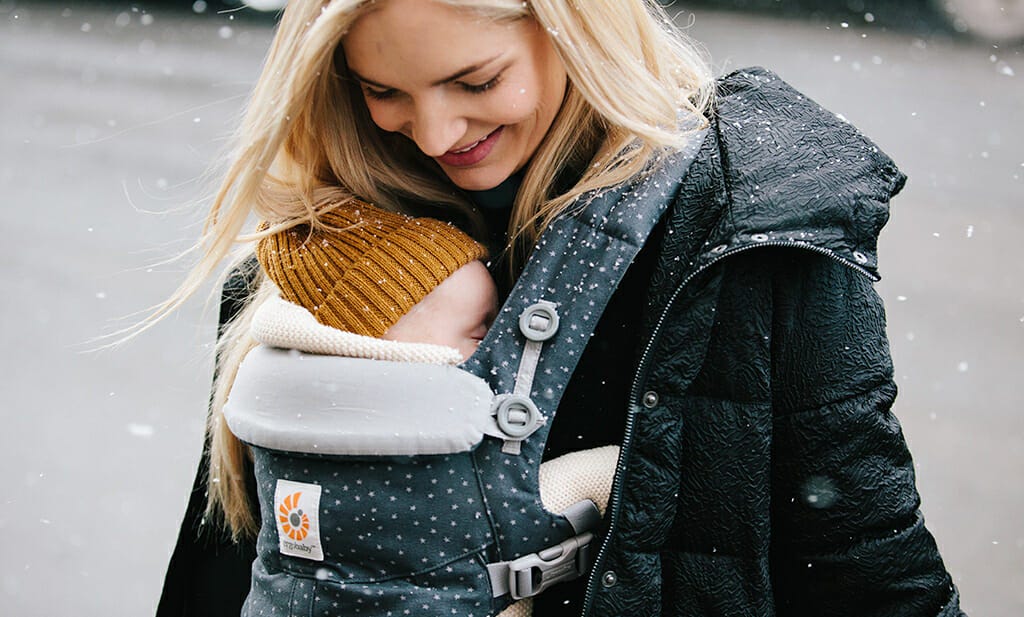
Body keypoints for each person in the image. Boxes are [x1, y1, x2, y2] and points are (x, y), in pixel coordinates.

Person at [154, 1, 966, 616]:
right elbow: (236, 559)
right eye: (383, 91)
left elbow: (860, 552)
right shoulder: (317, 255)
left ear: (578, 28)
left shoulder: (751, 233)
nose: (435, 133)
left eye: (474, 81)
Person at [227, 200, 616, 617]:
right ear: (393, 352)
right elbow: (596, 478)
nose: (496, 349)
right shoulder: (468, 464)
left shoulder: (277, 434)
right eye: (481, 332)